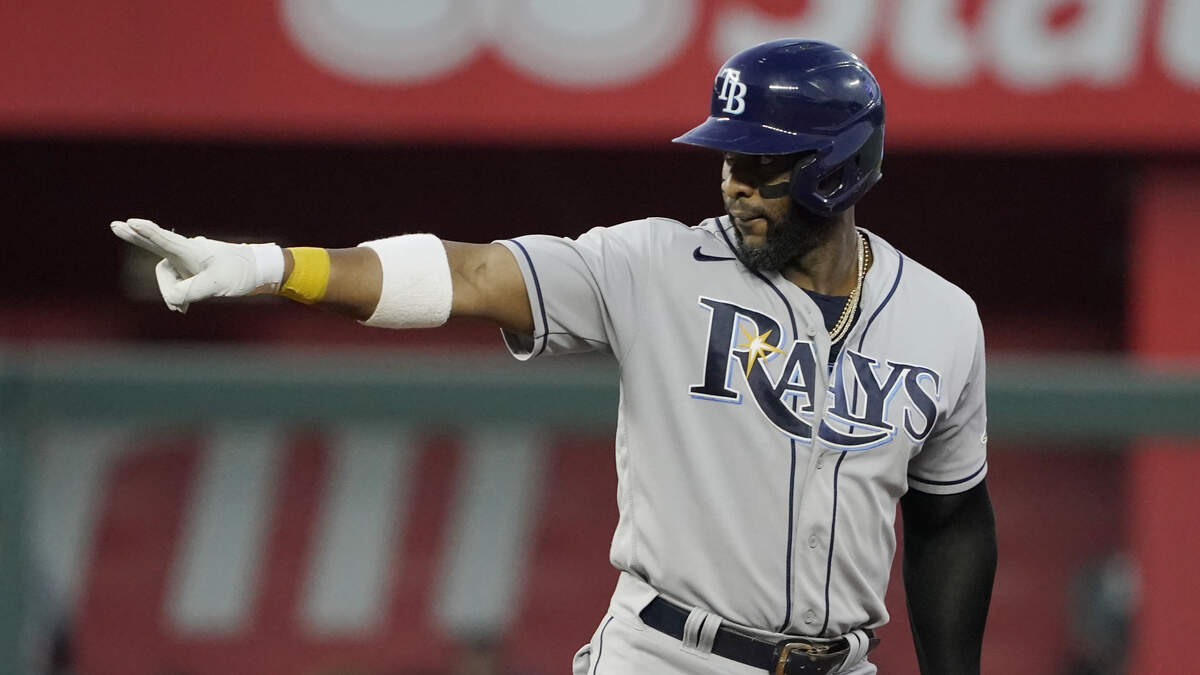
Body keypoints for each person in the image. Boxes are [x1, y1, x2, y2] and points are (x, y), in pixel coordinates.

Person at [111, 39, 996, 675]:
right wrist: (268, 267)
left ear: (839, 166)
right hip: (668, 654)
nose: (734, 183)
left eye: (763, 164)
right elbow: (470, 273)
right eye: (728, 160)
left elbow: (951, 517)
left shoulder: (943, 320)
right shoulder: (656, 263)